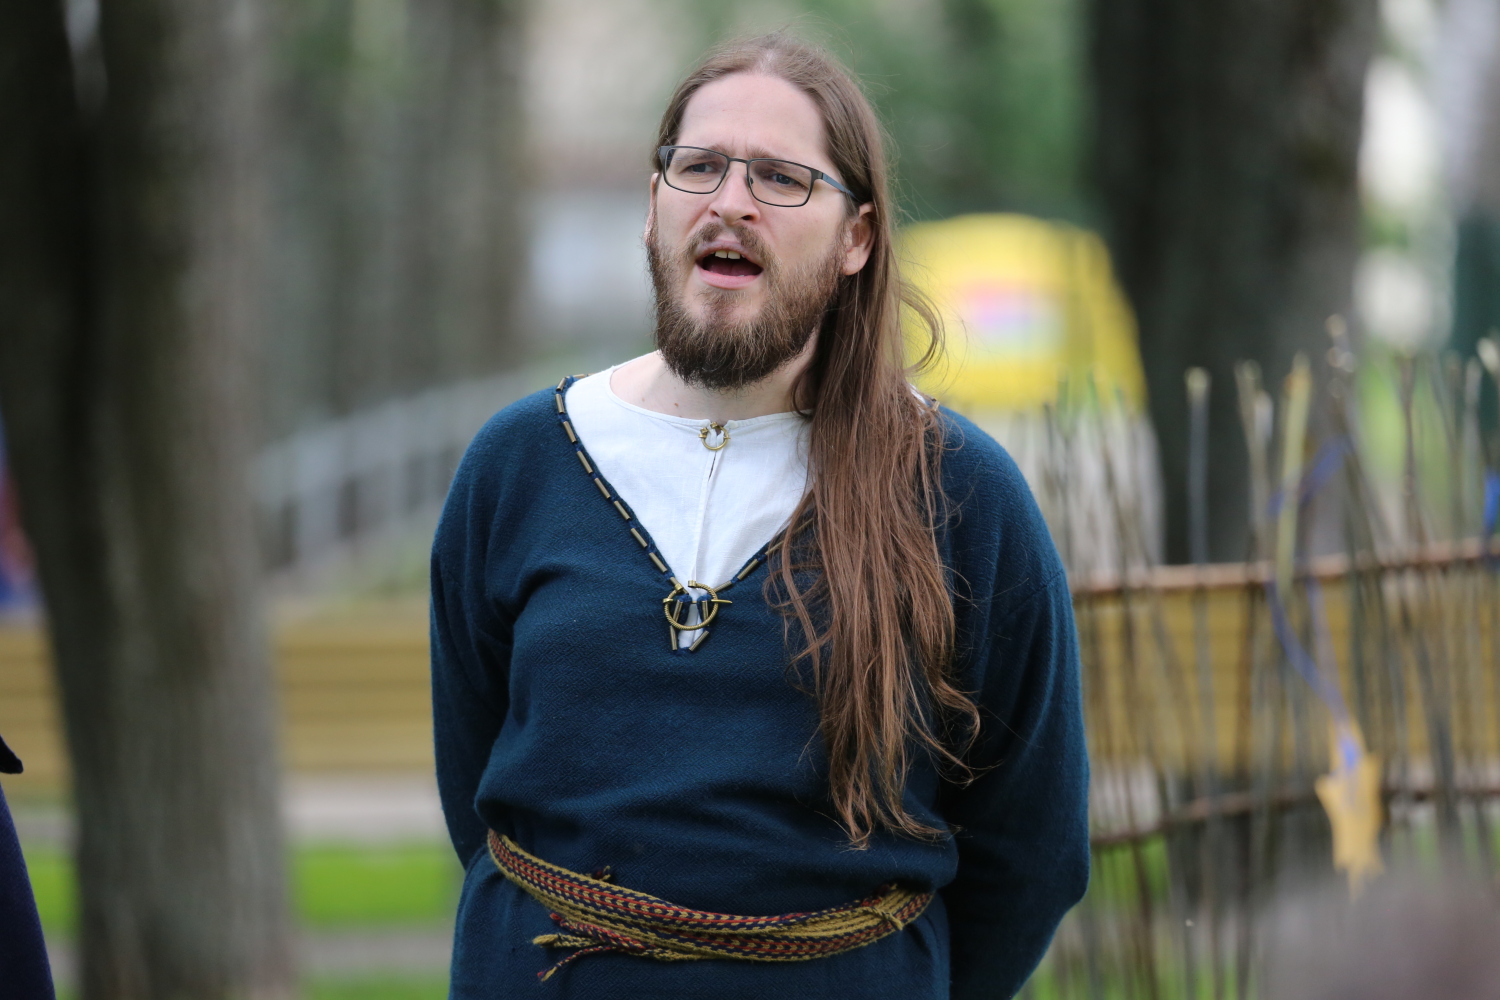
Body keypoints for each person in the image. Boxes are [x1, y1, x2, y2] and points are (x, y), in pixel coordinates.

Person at [430, 32, 1089, 1000]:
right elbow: (473, 786)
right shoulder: (518, 464)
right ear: (654, 207)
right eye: (699, 166)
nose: (730, 201)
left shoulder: (958, 492)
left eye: (782, 178)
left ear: (857, 238)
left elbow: (1032, 848)